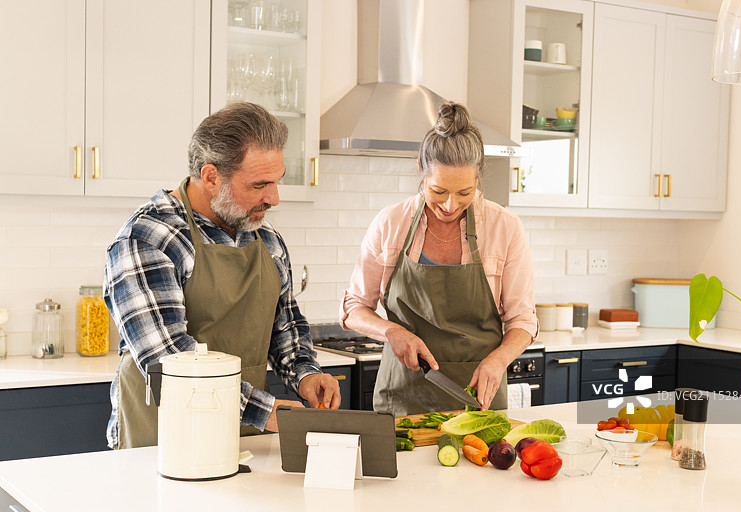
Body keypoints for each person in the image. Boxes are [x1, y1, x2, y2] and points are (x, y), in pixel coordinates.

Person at [103, 102, 340, 449]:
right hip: (162, 442)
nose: (273, 198)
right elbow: (172, 362)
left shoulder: (266, 238)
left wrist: (306, 373)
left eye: (277, 182)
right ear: (212, 177)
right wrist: (266, 410)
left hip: (244, 440)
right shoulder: (148, 238)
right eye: (260, 184)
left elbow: (285, 327)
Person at [340, 102, 538, 415]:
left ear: (479, 178)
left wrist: (498, 361)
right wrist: (393, 332)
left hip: (479, 400)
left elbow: (523, 321)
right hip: (402, 397)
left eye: (464, 192)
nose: (449, 204)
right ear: (421, 168)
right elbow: (354, 308)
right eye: (438, 190)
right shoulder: (390, 223)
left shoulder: (505, 227)